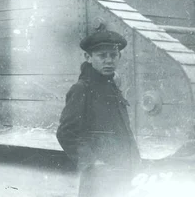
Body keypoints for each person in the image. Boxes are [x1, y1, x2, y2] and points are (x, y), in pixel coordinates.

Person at [57, 24, 141, 197]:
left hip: (123, 170)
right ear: (88, 57)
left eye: (113, 55)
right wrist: (92, 163)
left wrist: (135, 160)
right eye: (102, 56)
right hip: (99, 177)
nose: (109, 60)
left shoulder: (111, 86)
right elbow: (66, 133)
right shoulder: (82, 89)